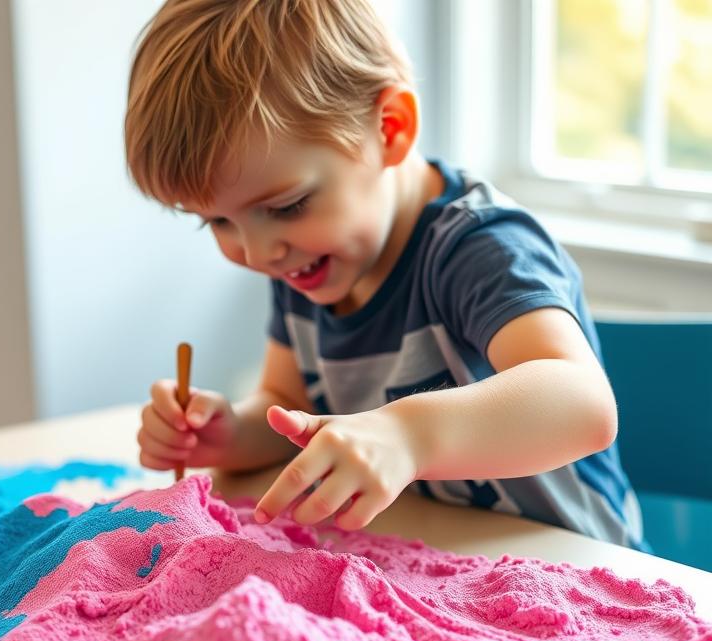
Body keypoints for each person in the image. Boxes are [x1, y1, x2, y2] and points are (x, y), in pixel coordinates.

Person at [124, 0, 643, 547]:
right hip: (443, 565)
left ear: (390, 129)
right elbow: (289, 408)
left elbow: (583, 405)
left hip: (578, 572)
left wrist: (407, 434)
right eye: (217, 223)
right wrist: (231, 433)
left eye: (288, 206)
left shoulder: (480, 248)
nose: (257, 253)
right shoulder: (306, 261)